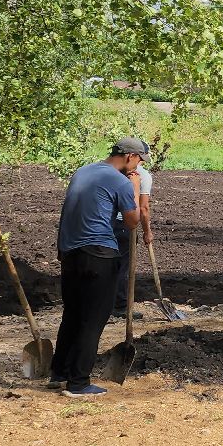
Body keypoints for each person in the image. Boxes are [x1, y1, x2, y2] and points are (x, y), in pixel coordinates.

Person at [50, 137, 147, 397]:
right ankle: (79, 383)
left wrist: (62, 248)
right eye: (138, 160)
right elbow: (132, 221)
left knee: (72, 314)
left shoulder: (83, 171)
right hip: (100, 255)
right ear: (129, 157)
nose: (138, 167)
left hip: (71, 252)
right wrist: (135, 188)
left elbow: (66, 210)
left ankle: (58, 373)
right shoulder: (121, 181)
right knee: (93, 319)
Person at [113, 156, 154, 318]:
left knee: (107, 265)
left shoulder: (114, 172)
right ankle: (121, 306)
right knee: (123, 268)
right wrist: (147, 231)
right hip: (125, 224)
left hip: (106, 224)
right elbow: (143, 208)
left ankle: (102, 304)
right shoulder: (143, 176)